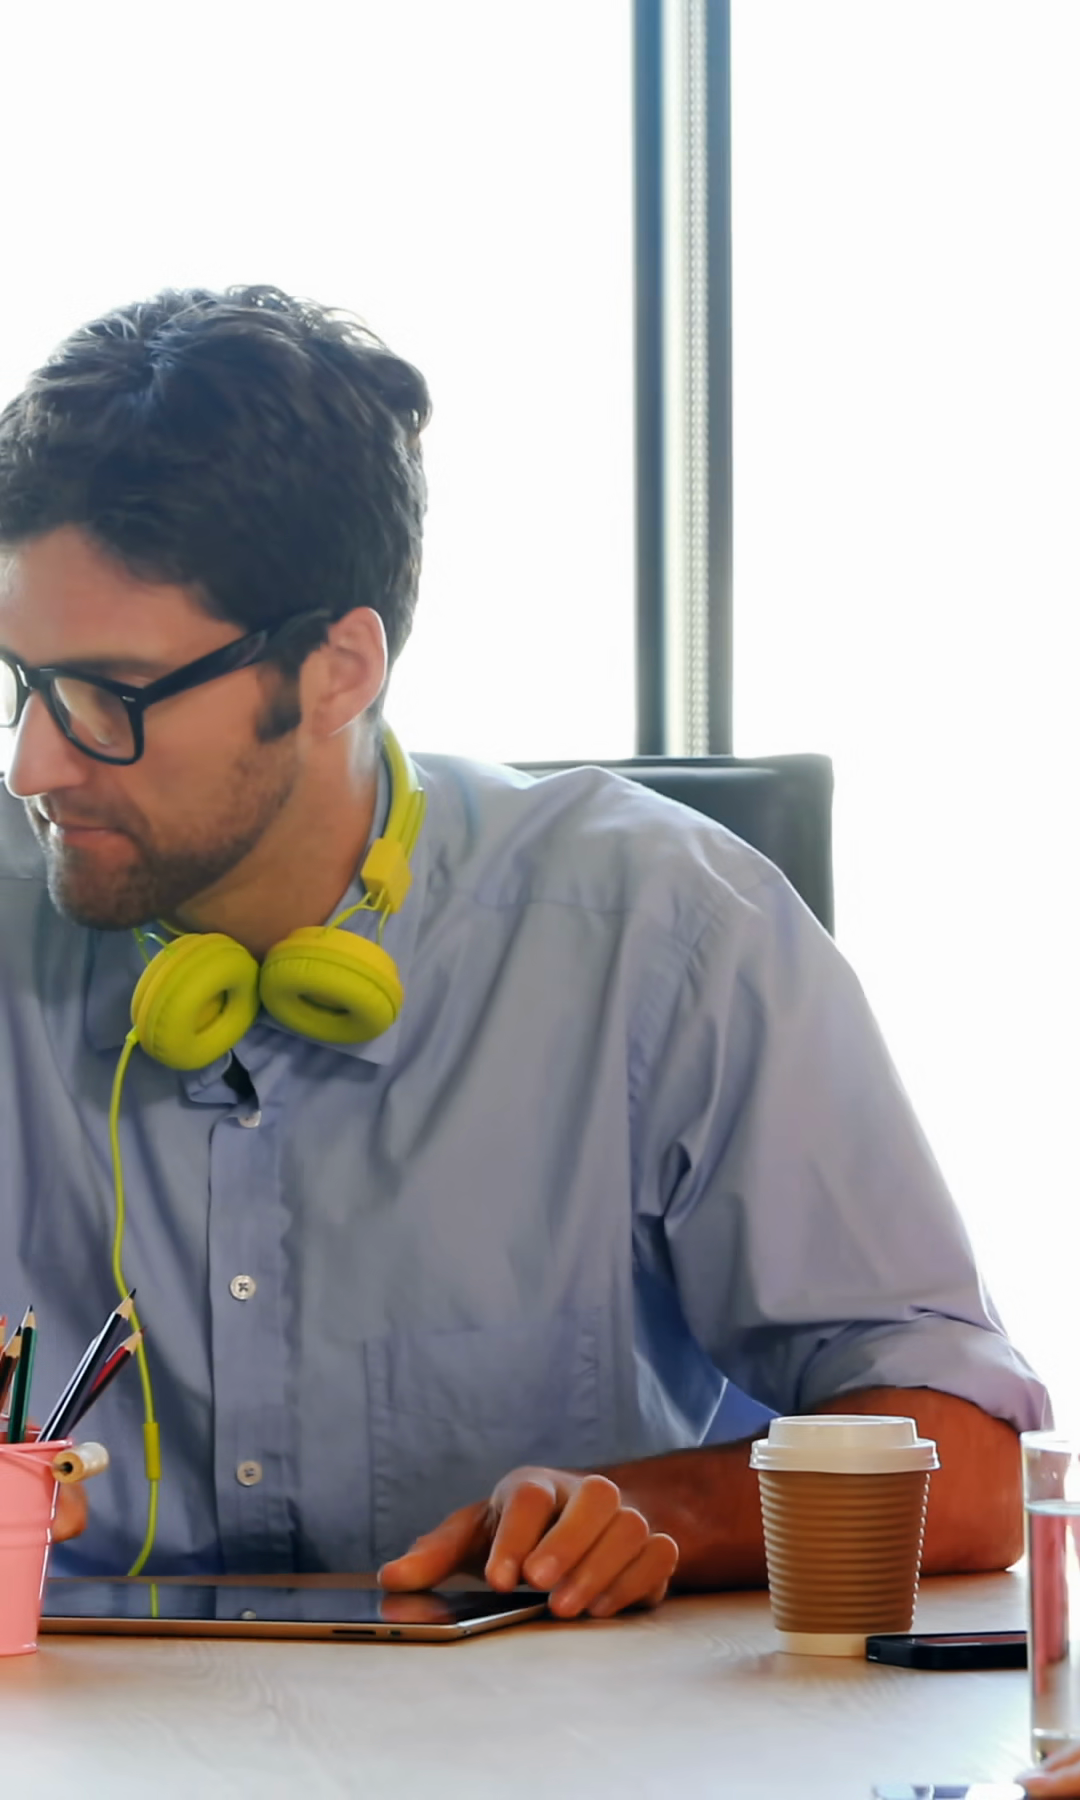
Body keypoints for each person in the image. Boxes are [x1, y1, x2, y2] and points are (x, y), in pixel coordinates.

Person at [0, 285, 1048, 1618]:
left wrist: (660, 1509)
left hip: (554, 1722)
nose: (32, 765)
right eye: (20, 680)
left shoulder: (664, 933)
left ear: (336, 670)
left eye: (106, 697)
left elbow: (972, 1475)